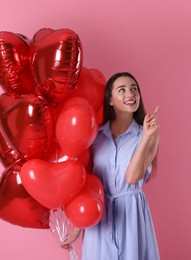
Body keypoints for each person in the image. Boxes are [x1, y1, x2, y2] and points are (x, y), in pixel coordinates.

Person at [62, 72, 160, 260]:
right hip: (99, 216)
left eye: (134, 89)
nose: (130, 94)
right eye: (122, 90)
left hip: (131, 217)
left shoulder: (148, 135)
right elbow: (86, 180)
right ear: (111, 100)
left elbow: (132, 177)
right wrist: (77, 228)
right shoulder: (96, 136)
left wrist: (146, 136)